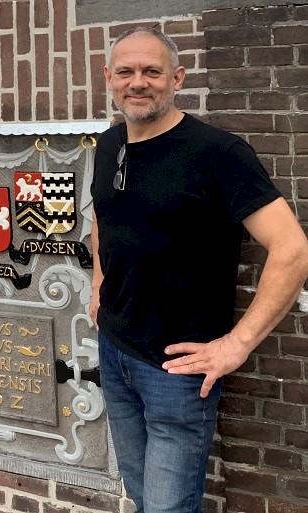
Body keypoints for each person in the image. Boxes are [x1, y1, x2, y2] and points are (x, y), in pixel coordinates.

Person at [88, 27, 308, 513]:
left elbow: (292, 248)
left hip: (178, 369)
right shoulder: (108, 146)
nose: (138, 82)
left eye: (152, 71)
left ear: (177, 78)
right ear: (109, 78)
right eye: (125, 71)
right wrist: (99, 280)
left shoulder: (219, 154)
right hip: (115, 350)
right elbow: (103, 217)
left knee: (167, 507)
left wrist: (238, 343)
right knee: (144, 499)